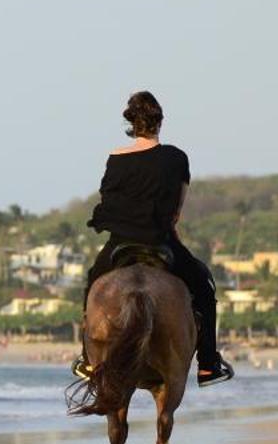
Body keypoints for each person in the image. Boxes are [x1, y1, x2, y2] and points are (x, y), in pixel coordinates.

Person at [73, 91, 233, 386]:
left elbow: (108, 200)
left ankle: (86, 359)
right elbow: (176, 210)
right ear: (160, 122)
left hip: (120, 242)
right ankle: (209, 363)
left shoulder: (116, 158)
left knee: (93, 286)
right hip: (161, 241)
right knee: (205, 287)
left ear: (132, 124)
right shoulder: (176, 157)